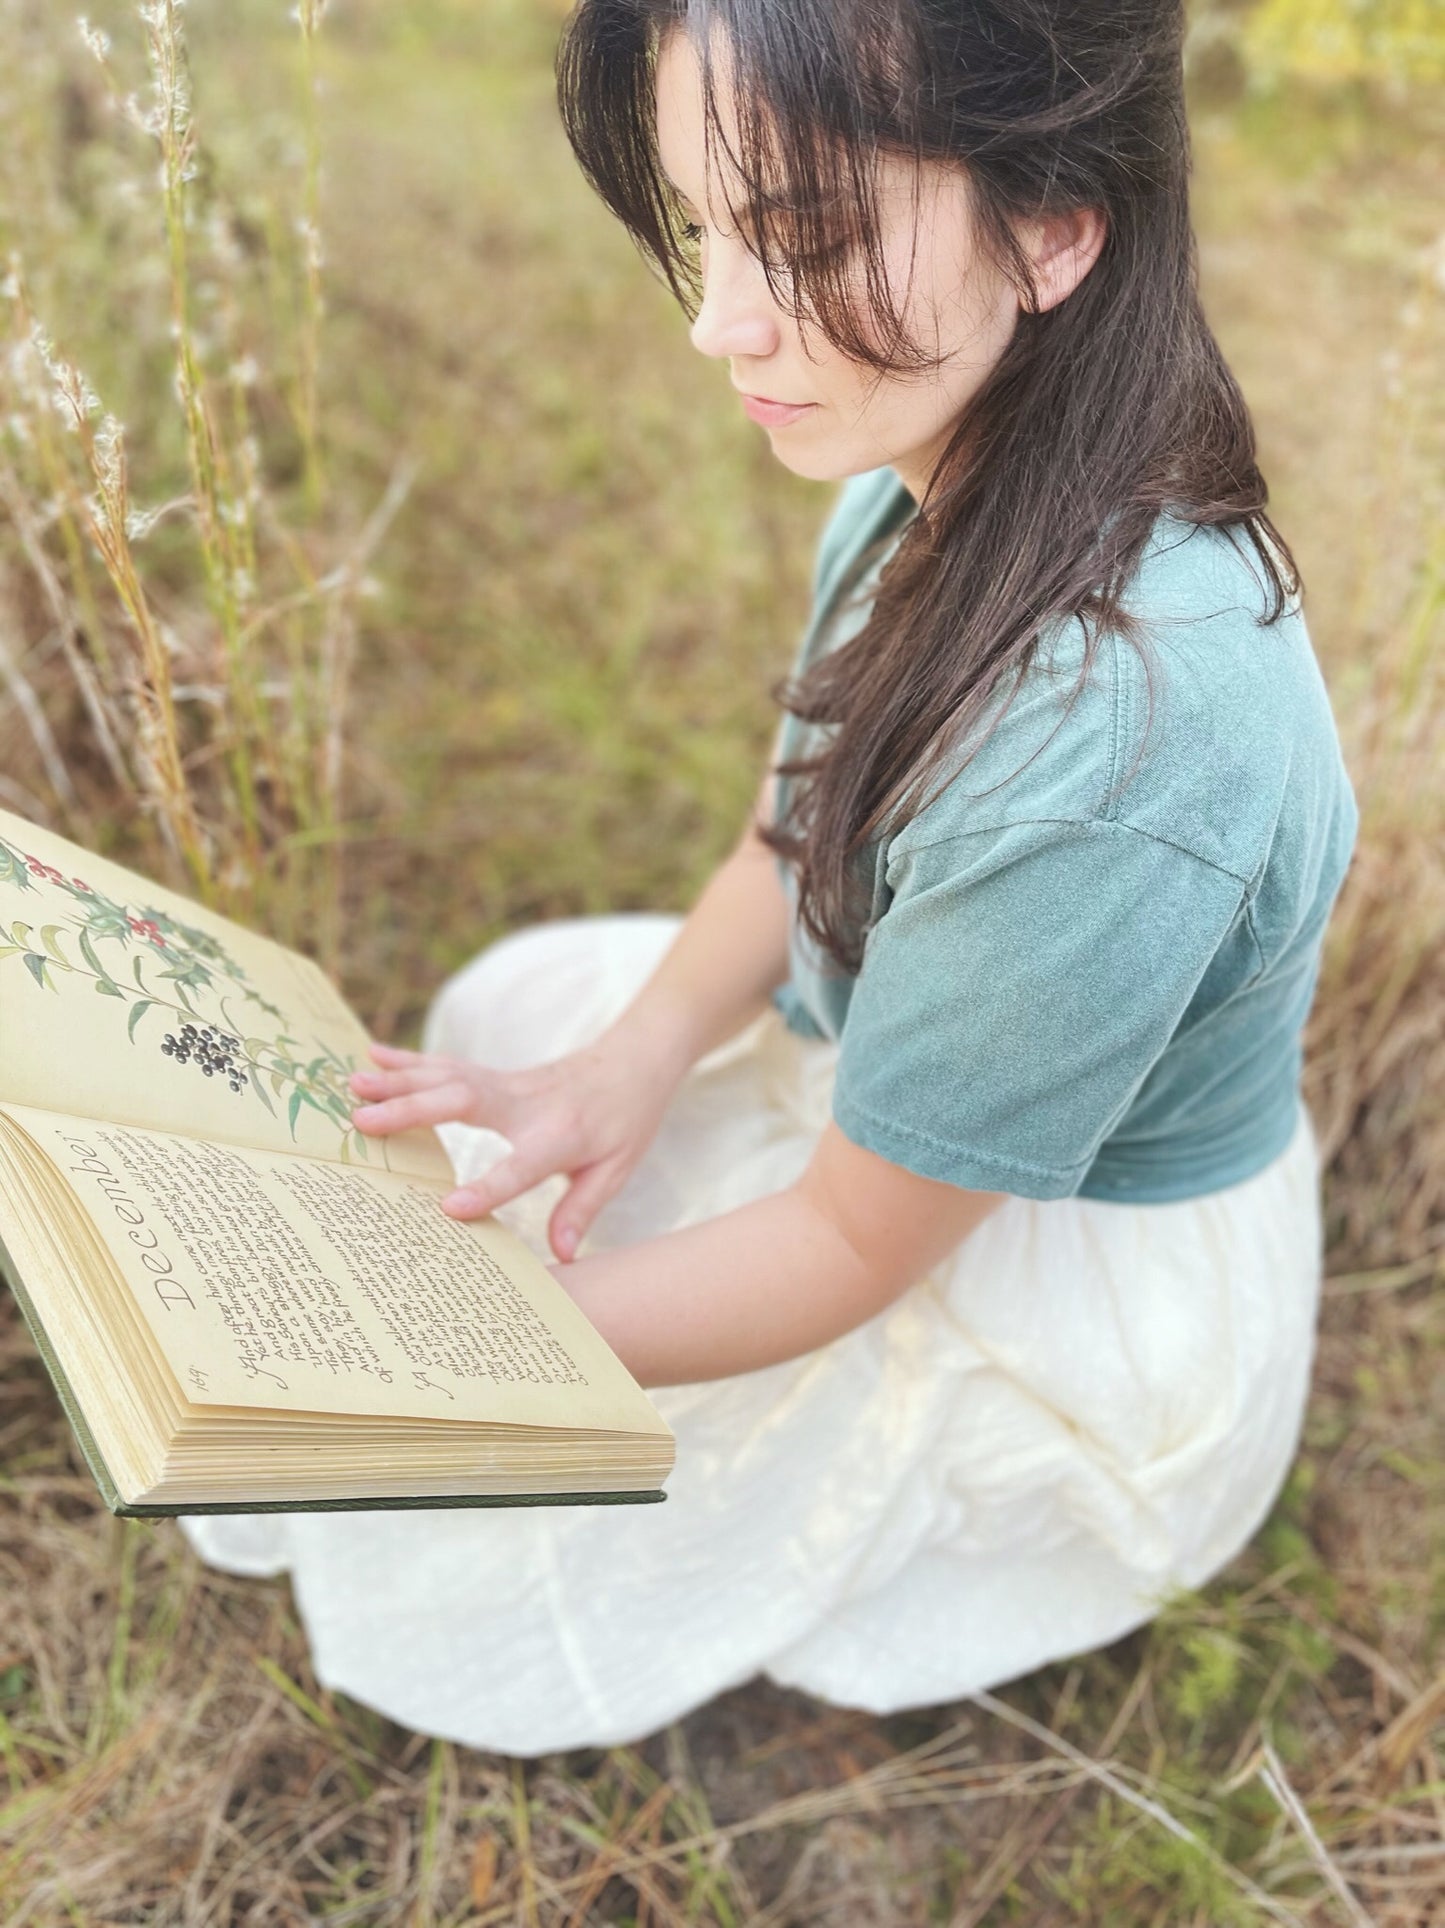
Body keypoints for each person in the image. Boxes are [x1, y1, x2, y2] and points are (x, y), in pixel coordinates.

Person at [177, 0, 1359, 1757]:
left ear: (1051, 223)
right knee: (533, 1019)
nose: (723, 326)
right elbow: (790, 833)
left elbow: (846, 1240)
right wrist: (623, 1067)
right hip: (889, 1076)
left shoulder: (1123, 744)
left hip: (1052, 1257)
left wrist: (456, 1346)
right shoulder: (940, 463)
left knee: (520, 1503)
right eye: (702, 228)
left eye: (803, 240)